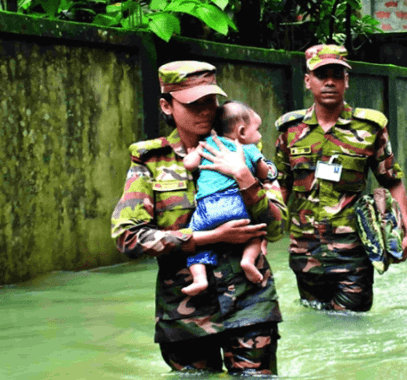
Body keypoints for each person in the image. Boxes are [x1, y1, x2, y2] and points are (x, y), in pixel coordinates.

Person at [110, 61, 287, 375]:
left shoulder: (245, 148)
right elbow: (128, 236)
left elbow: (275, 228)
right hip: (184, 311)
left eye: (210, 100)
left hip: (250, 300)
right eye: (193, 103)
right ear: (167, 105)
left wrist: (245, 179)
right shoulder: (151, 162)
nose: (205, 110)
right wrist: (207, 239)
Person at [273, 44, 407, 312]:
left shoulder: (369, 128)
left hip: (354, 252)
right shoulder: (289, 130)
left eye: (337, 75)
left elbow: (392, 180)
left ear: (346, 81)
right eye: (321, 75)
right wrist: (265, 235)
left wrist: (406, 230)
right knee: (315, 323)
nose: (329, 82)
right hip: (305, 251)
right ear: (307, 81)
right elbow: (281, 185)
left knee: (351, 327)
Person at [181, 100, 277, 296]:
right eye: (258, 130)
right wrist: (267, 170)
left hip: (207, 207)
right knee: (256, 233)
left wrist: (193, 154)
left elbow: (189, 165)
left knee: (194, 240)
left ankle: (199, 279)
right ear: (242, 132)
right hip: (235, 203)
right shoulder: (247, 147)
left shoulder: (208, 143)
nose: (259, 135)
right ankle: (247, 261)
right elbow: (264, 172)